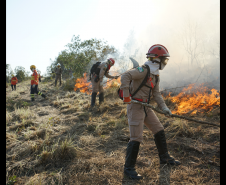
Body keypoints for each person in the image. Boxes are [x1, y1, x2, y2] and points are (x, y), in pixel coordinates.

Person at [120, 44, 181, 180]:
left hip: (146, 107)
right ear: (156, 59)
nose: (165, 62)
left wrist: (164, 108)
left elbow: (156, 94)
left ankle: (164, 158)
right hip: (135, 106)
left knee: (159, 129)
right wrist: (126, 95)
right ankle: (128, 169)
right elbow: (125, 76)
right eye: (164, 59)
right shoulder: (143, 70)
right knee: (136, 137)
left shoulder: (155, 75)